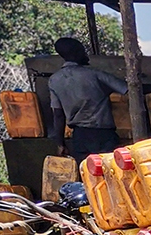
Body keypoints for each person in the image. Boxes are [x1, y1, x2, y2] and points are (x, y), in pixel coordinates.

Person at [48, 37, 129, 165]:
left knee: (87, 173)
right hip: (103, 134)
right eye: (83, 51)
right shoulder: (95, 75)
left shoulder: (54, 80)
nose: (86, 55)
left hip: (80, 137)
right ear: (77, 52)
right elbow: (129, 89)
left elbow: (58, 115)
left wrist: (60, 143)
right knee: (111, 172)